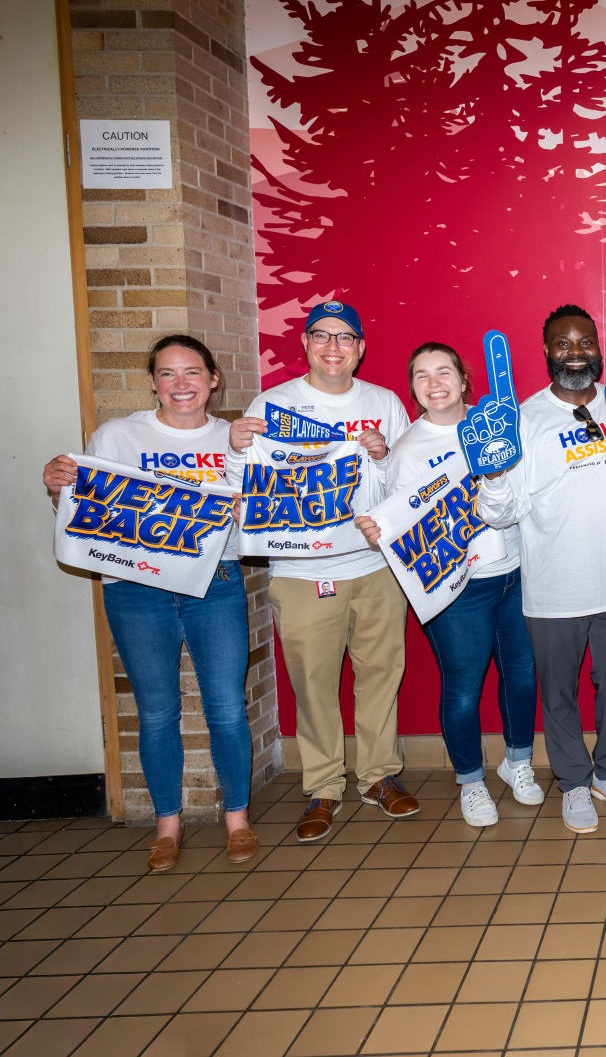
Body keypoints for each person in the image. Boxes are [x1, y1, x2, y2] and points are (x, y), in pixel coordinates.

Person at [41, 335, 257, 870]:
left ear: (213, 380)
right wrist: (55, 487)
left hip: (216, 584)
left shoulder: (236, 439)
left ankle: (238, 819)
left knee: (227, 707)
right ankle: (167, 824)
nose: (180, 384)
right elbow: (85, 510)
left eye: (191, 373)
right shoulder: (118, 436)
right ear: (153, 382)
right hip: (137, 590)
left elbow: (262, 520)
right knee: (156, 710)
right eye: (167, 374)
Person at [227, 300, 418, 842]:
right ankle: (323, 788)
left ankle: (380, 777)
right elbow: (247, 488)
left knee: (382, 675)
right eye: (322, 336)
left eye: (345, 338)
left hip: (376, 566)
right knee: (312, 685)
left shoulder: (383, 403)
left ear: (360, 348)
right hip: (299, 571)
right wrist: (236, 449)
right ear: (305, 344)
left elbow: (403, 489)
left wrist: (380, 459)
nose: (333, 347)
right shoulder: (273, 403)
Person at [354, 343, 543, 828]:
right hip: (458, 589)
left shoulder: (499, 423)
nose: (434, 382)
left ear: (464, 380)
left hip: (518, 573)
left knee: (521, 676)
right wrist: (382, 531)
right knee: (462, 688)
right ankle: (472, 781)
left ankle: (518, 763)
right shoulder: (407, 451)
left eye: (443, 372)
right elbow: (397, 521)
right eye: (421, 375)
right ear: (413, 389)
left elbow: (525, 493)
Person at [477, 305, 606, 834]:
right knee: (559, 693)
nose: (576, 352)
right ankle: (574, 782)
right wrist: (494, 470)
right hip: (555, 586)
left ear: (599, 348)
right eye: (563, 343)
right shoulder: (523, 418)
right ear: (546, 351)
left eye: (585, 342)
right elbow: (501, 513)